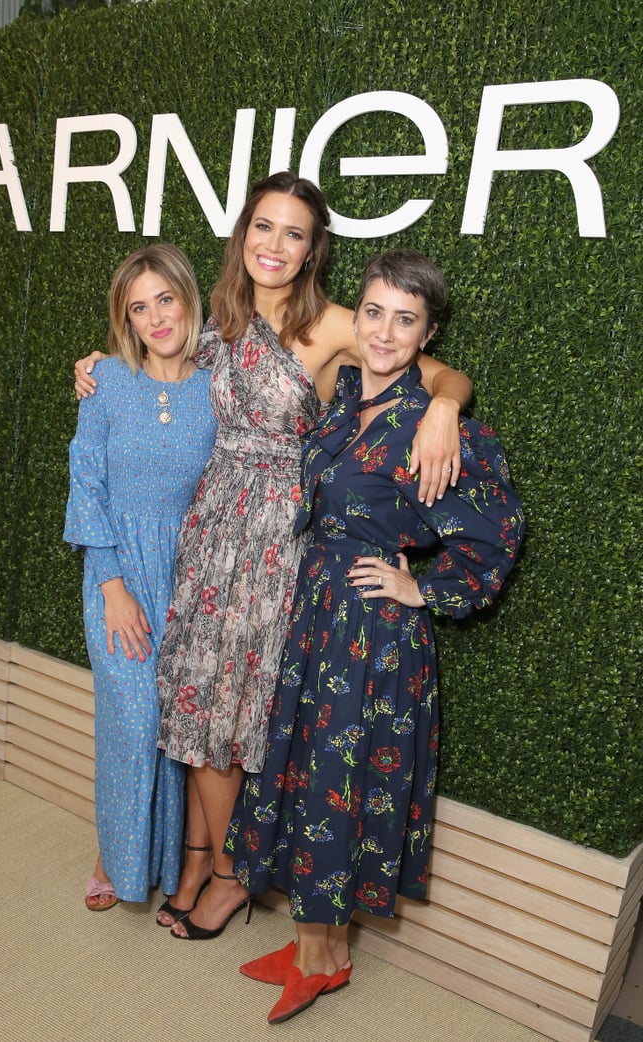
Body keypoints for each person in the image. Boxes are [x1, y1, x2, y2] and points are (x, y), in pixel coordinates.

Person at [73, 172, 474, 938]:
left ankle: (228, 874)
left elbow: (436, 366)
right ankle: (194, 860)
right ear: (244, 232)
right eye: (264, 226)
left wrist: (446, 407)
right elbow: (147, 351)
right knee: (190, 709)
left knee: (225, 719)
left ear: (314, 247)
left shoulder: (330, 325)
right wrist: (94, 365)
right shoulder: (212, 317)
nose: (275, 245)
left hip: (268, 538)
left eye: (294, 233)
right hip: (206, 525)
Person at [227, 249, 525, 1023]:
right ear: (355, 317)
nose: (386, 332)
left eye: (406, 319)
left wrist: (419, 586)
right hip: (312, 615)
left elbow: (497, 534)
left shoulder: (431, 426)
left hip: (372, 636)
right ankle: (312, 946)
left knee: (340, 784)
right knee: (302, 777)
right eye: (374, 312)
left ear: (427, 334)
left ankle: (326, 961)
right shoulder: (347, 389)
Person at [63, 244, 217, 911]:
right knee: (134, 717)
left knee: (176, 730)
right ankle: (115, 852)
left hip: (191, 579)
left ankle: (159, 858)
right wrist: (112, 587)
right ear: (123, 320)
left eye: (165, 299)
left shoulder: (219, 384)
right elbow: (87, 485)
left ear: (186, 298)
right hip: (118, 572)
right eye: (138, 307)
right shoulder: (105, 384)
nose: (156, 317)